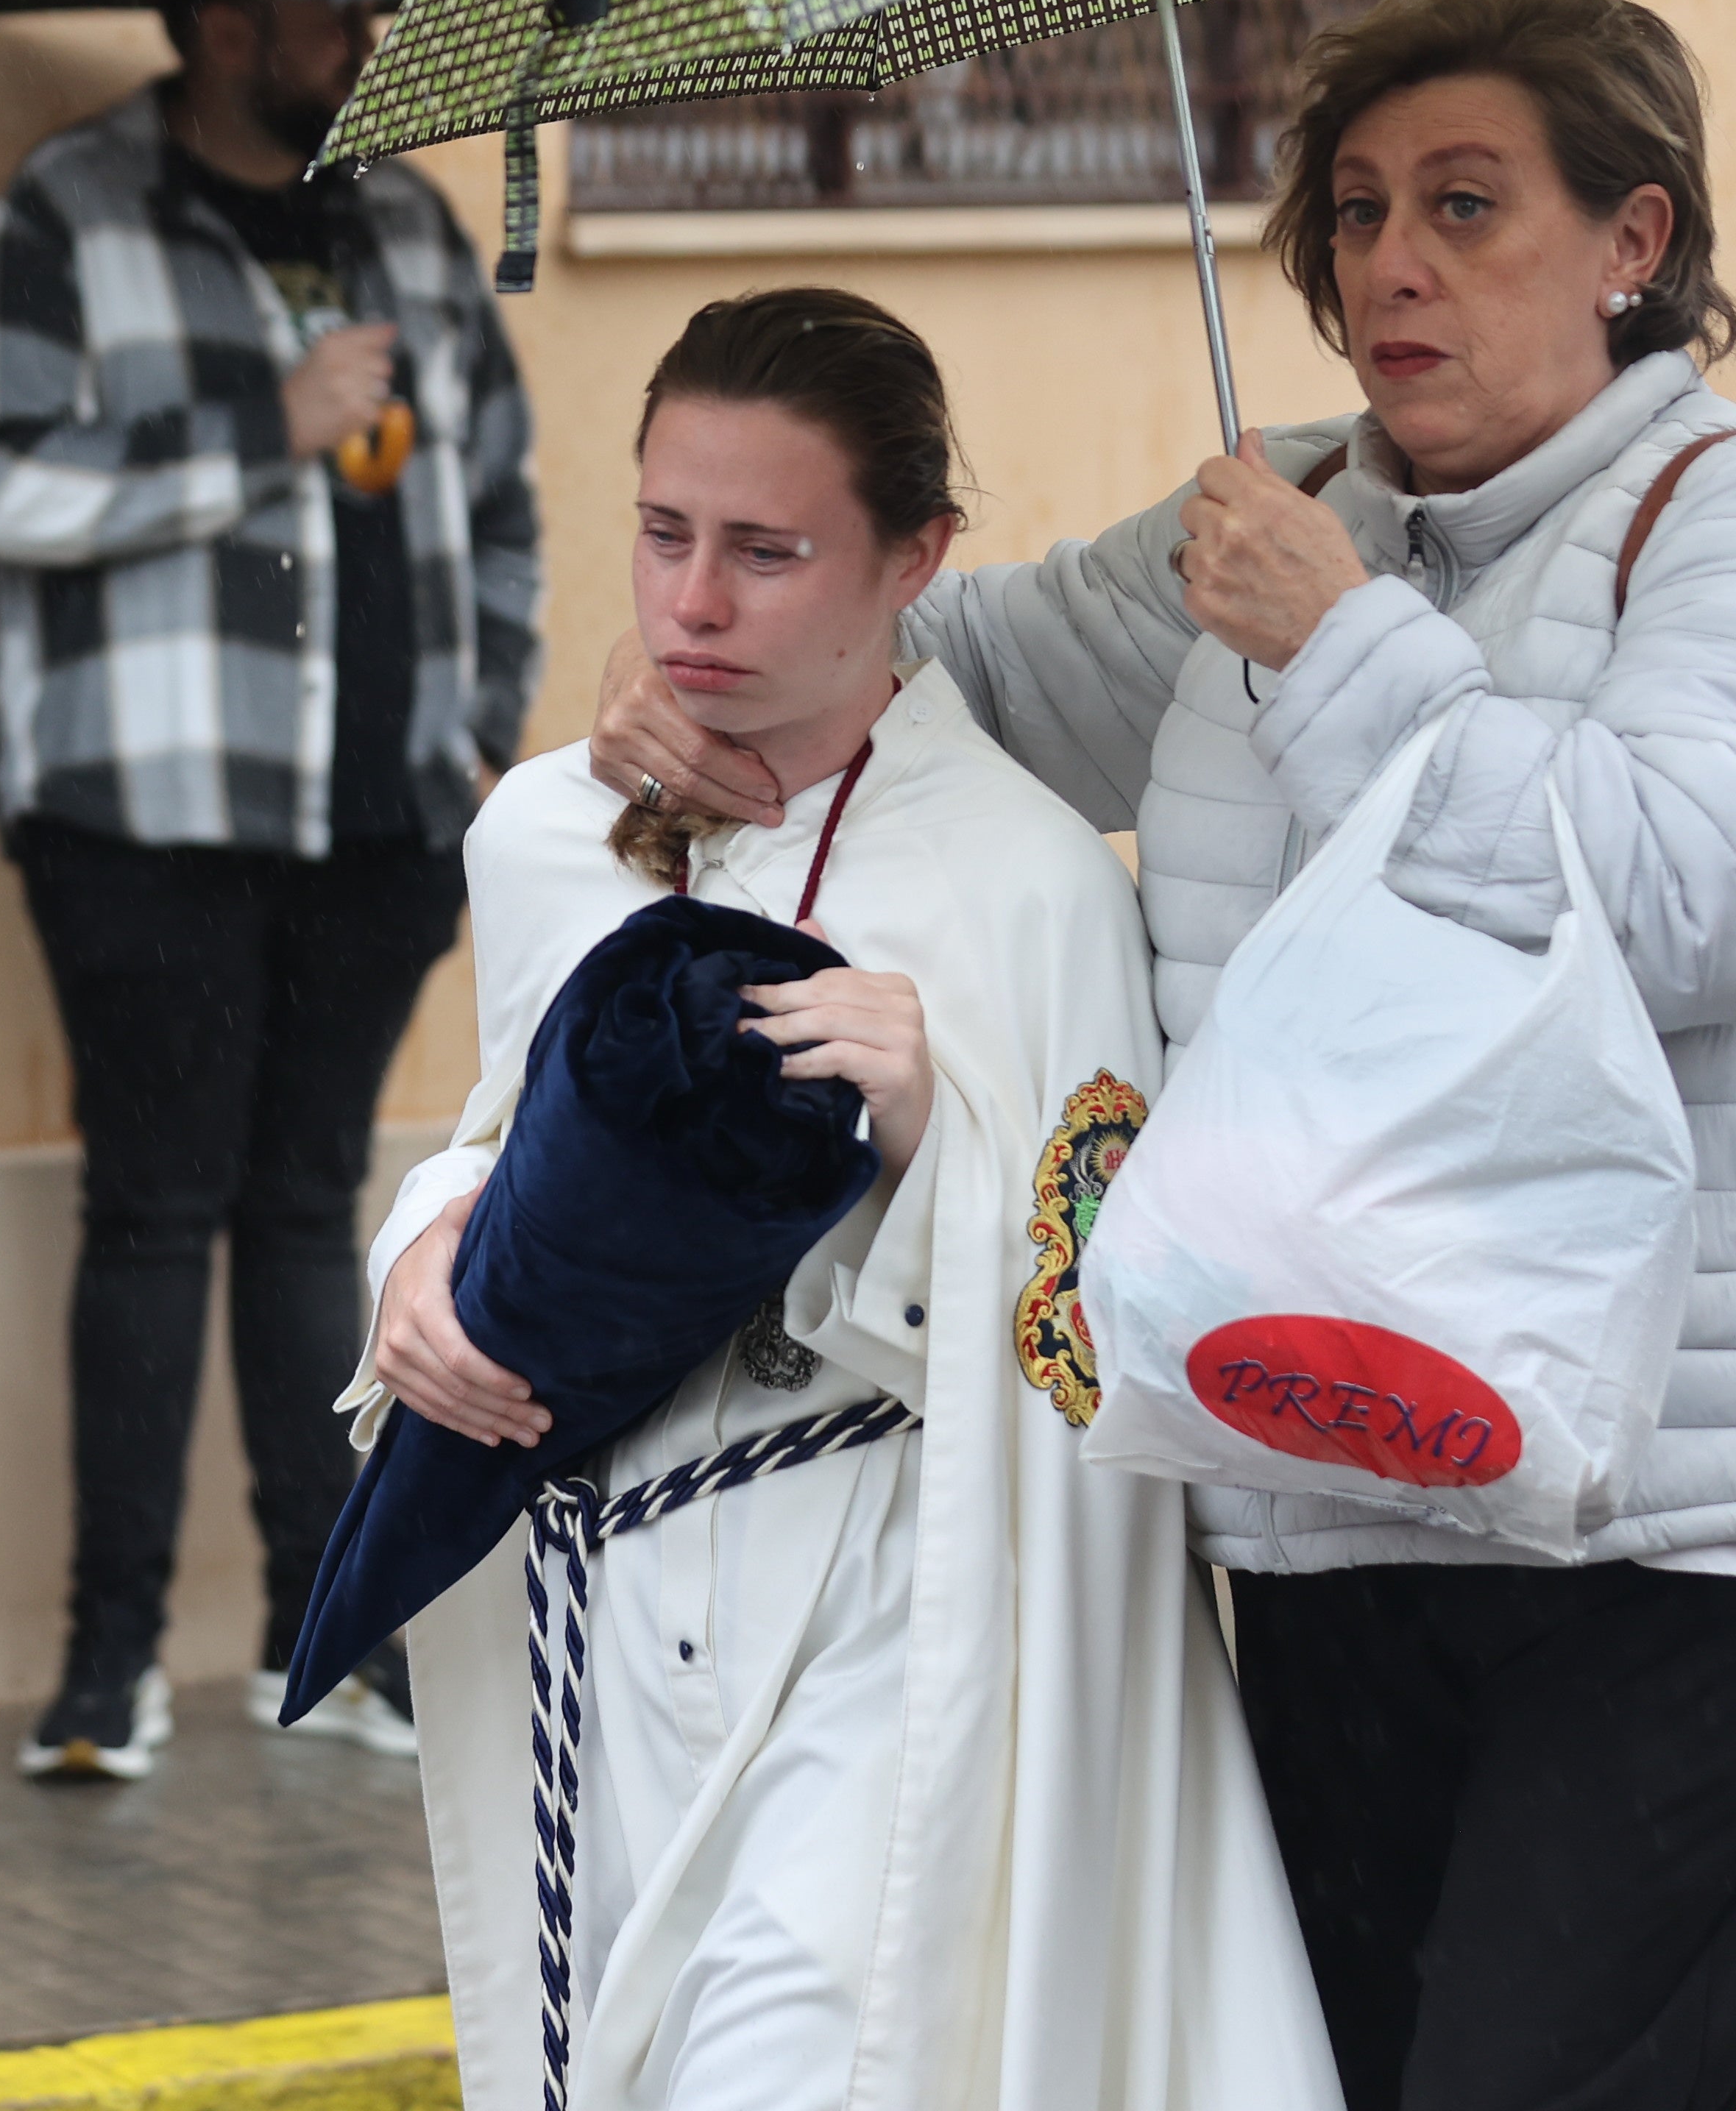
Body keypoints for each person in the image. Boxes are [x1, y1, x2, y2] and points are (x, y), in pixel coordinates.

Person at [594, 0, 1736, 2111]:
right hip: (1327, 1475)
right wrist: (712, 661)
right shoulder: (1291, 504)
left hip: (1671, 1519)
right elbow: (959, 667)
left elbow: (1699, 891)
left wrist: (1348, 645)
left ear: (1636, 241)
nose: (1389, 263)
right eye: (1359, 207)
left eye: (1470, 207)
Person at [359, 289, 1339, 2111]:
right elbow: (515, 1139)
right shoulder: (551, 835)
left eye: (767, 551)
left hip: (894, 1624)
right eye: (665, 536)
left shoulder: (1028, 887)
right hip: (609, 1622)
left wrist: (925, 1144)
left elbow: (1087, 1334)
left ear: (917, 560)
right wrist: (417, 1253)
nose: (694, 606)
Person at [0, 0, 542, 1777]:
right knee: (150, 1209)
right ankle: (106, 1663)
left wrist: (480, 726)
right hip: (149, 810)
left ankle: (328, 1634)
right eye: (314, 8)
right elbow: (4, 480)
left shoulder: (405, 220)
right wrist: (256, 427)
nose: (356, 32)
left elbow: (501, 492)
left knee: (308, 1213)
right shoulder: (69, 211)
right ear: (213, 19)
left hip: (377, 821)